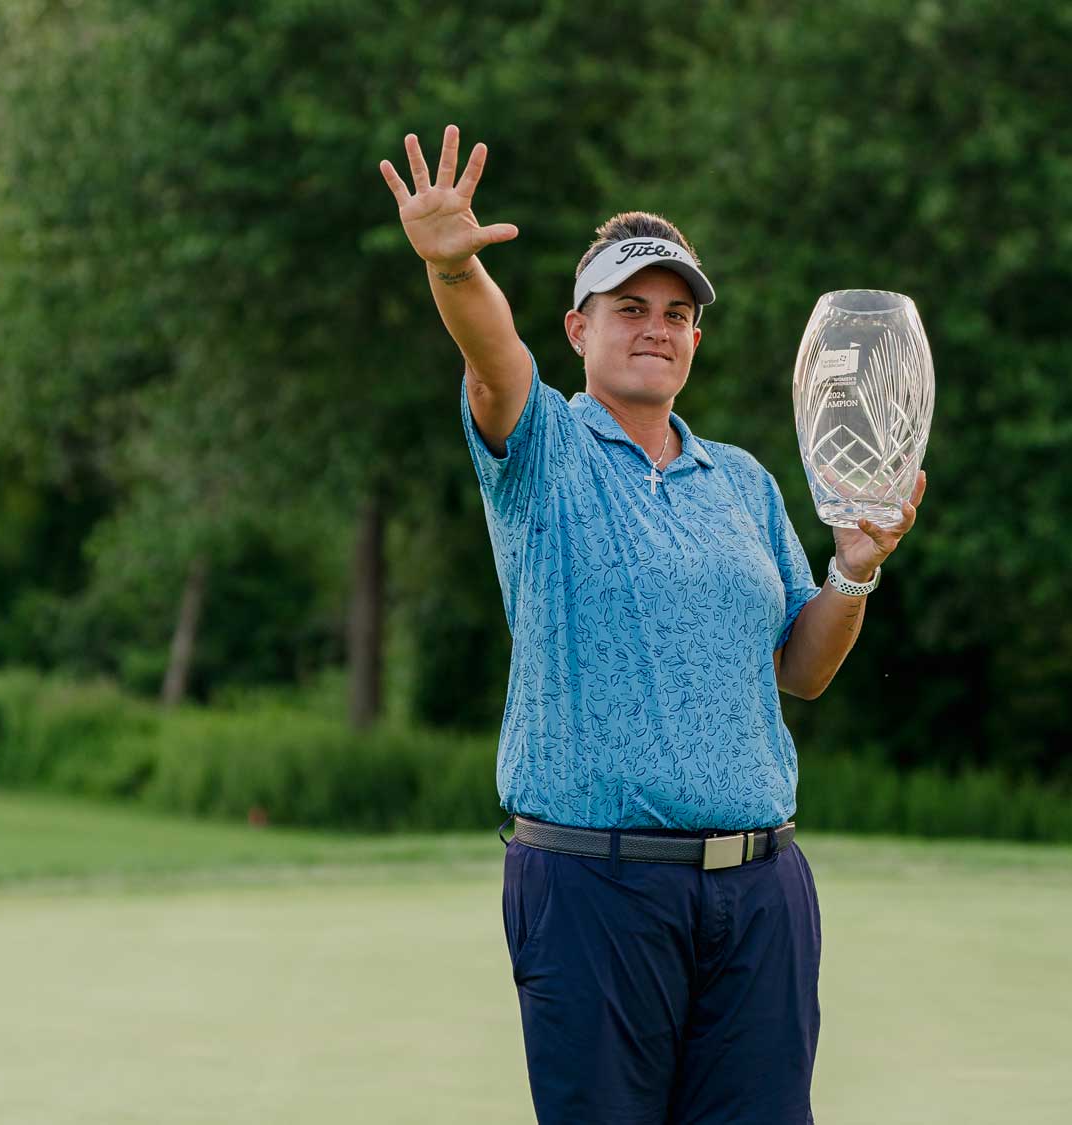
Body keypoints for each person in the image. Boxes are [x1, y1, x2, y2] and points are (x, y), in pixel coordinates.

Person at [379, 125, 926, 1124]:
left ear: (696, 342)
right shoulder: (541, 443)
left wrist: (852, 571)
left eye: (676, 313)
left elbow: (800, 671)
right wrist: (454, 269)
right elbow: (491, 356)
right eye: (627, 307)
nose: (655, 326)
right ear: (577, 330)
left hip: (759, 894)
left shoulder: (746, 482)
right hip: (594, 888)